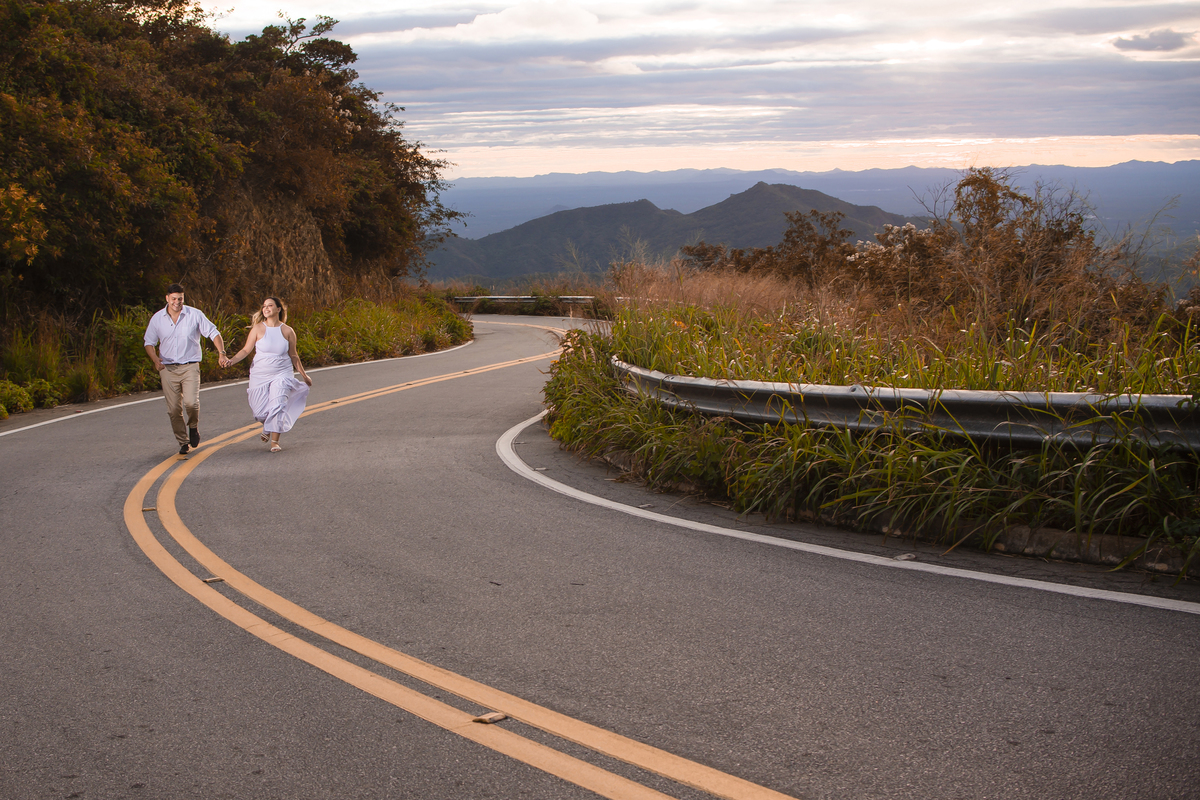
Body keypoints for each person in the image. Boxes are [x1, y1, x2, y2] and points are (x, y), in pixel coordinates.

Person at [144, 283, 227, 455]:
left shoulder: (194, 315)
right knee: (173, 409)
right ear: (167, 299)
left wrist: (222, 353)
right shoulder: (157, 318)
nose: (177, 302)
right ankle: (183, 442)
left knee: (191, 403)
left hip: (190, 366)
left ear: (184, 298)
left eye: (180, 298)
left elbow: (213, 332)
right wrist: (155, 360)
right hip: (167, 368)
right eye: (173, 298)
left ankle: (193, 426)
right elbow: (149, 342)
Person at [221, 297, 312, 452]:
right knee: (259, 412)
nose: (266, 308)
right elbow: (245, 350)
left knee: (278, 405)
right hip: (260, 374)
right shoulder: (257, 329)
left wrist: (304, 375)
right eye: (264, 306)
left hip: (282, 374)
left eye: (270, 305)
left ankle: (275, 442)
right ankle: (268, 426)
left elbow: (294, 355)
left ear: (278, 309)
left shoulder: (288, 331)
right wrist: (231, 361)